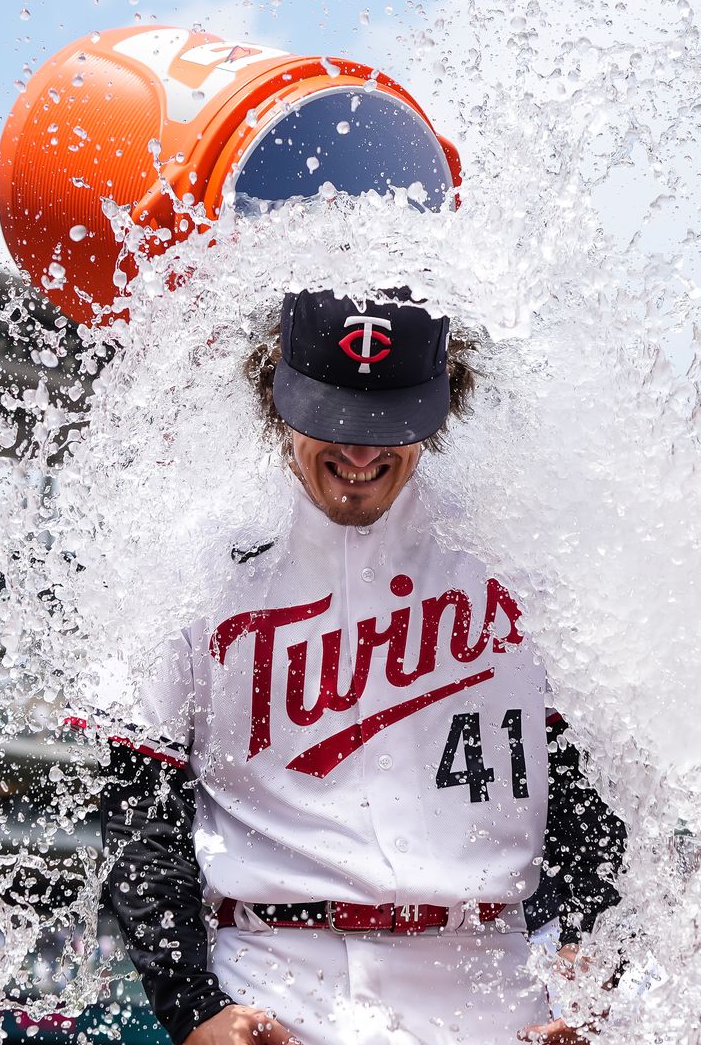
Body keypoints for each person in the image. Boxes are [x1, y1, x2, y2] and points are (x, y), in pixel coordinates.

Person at [101, 290, 625, 1045]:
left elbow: (588, 788)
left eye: (388, 426)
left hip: (489, 985)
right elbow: (139, 806)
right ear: (275, 393)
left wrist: (584, 964)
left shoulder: (518, 553)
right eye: (335, 420)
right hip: (274, 982)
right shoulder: (190, 560)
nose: (358, 454)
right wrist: (193, 1010)